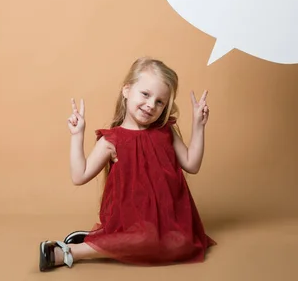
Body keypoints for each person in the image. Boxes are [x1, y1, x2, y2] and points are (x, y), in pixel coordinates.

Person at [39, 57, 216, 271]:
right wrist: (77, 135)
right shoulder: (112, 140)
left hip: (170, 223)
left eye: (160, 102)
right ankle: (70, 251)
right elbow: (79, 176)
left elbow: (192, 164)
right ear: (126, 90)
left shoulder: (165, 132)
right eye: (145, 94)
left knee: (185, 245)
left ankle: (102, 240)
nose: (151, 105)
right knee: (147, 239)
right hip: (134, 223)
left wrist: (199, 125)